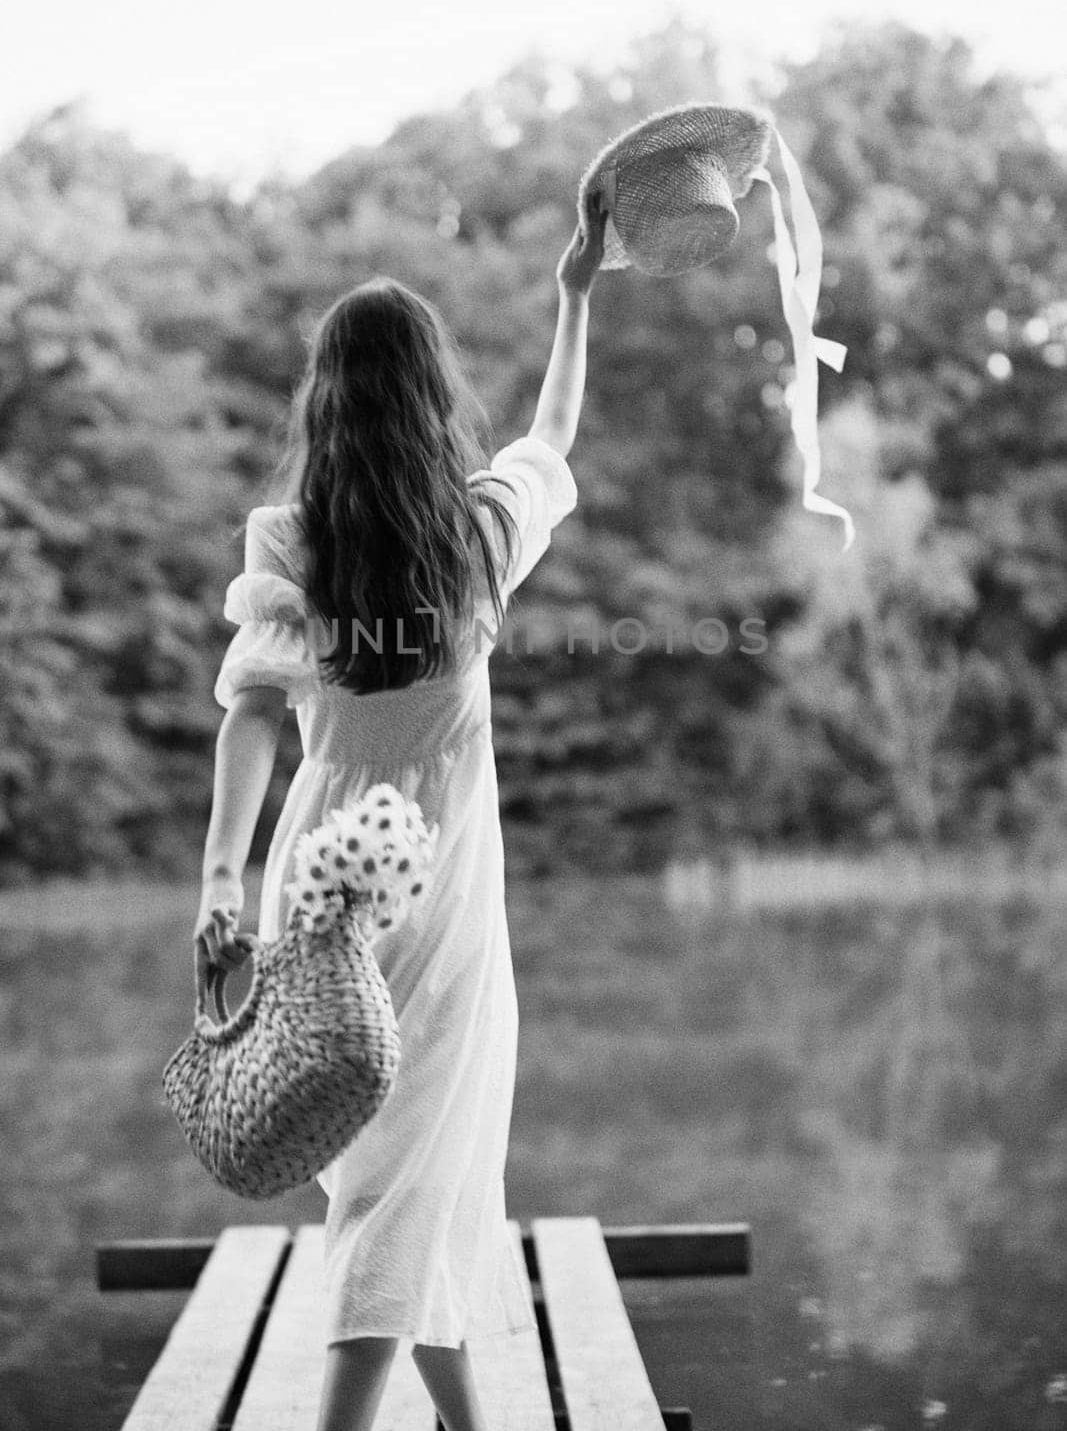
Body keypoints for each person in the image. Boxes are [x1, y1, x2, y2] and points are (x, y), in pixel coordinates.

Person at [192, 196, 609, 1431]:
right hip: (443, 894)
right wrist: (573, 294)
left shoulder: (290, 543)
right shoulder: (477, 535)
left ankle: (464, 1419)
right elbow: (554, 428)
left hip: (317, 883)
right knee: (414, 1170)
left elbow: (252, 713)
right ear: (431, 399)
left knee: (400, 1177)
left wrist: (220, 878)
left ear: (325, 402)